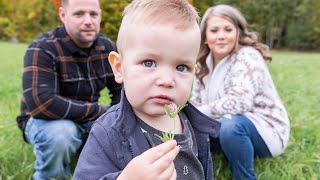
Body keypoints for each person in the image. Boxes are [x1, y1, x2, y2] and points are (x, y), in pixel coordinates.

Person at [73, 0, 221, 179]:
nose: (167, 81)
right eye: (149, 63)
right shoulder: (107, 132)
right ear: (119, 68)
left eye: (181, 67)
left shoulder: (194, 124)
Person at [15, 0, 122, 179]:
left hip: (87, 118)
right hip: (44, 121)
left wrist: (114, 118)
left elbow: (121, 91)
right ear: (63, 15)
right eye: (79, 14)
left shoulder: (107, 48)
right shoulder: (43, 47)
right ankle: (49, 176)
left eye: (93, 14)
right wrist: (99, 111)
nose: (88, 20)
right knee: (62, 133)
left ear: (100, 16)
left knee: (119, 125)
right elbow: (42, 104)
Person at [190, 4, 290, 180]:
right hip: (221, 125)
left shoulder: (247, 55)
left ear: (237, 33)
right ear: (205, 35)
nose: (221, 36)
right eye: (214, 30)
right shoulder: (202, 63)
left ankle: (244, 176)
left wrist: (195, 114)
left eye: (228, 29)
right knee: (189, 129)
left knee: (231, 126)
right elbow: (197, 103)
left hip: (264, 130)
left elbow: (240, 102)